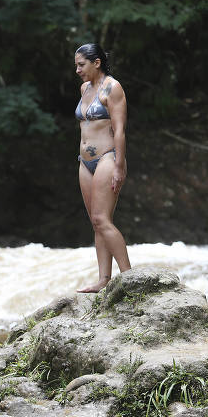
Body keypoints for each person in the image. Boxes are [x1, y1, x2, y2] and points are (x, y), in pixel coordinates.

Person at [74, 43, 131, 293]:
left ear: (96, 63)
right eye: (76, 65)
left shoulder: (113, 87)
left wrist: (119, 165)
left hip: (108, 157)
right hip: (84, 162)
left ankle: (129, 277)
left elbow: (119, 130)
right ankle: (104, 280)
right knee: (96, 223)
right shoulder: (85, 88)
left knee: (102, 218)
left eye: (81, 65)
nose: (77, 70)